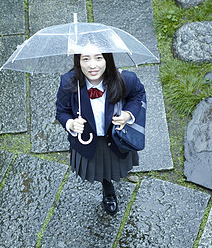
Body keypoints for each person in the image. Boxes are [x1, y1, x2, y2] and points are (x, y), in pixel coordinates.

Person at [55, 44, 145, 215]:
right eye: (85, 59)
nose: (92, 65)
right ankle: (106, 185)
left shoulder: (125, 79)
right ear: (78, 61)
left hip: (115, 137)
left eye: (98, 58)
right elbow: (61, 111)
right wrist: (70, 124)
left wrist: (128, 114)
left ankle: (109, 183)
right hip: (88, 140)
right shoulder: (69, 82)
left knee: (114, 164)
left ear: (107, 59)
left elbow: (137, 94)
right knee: (98, 167)